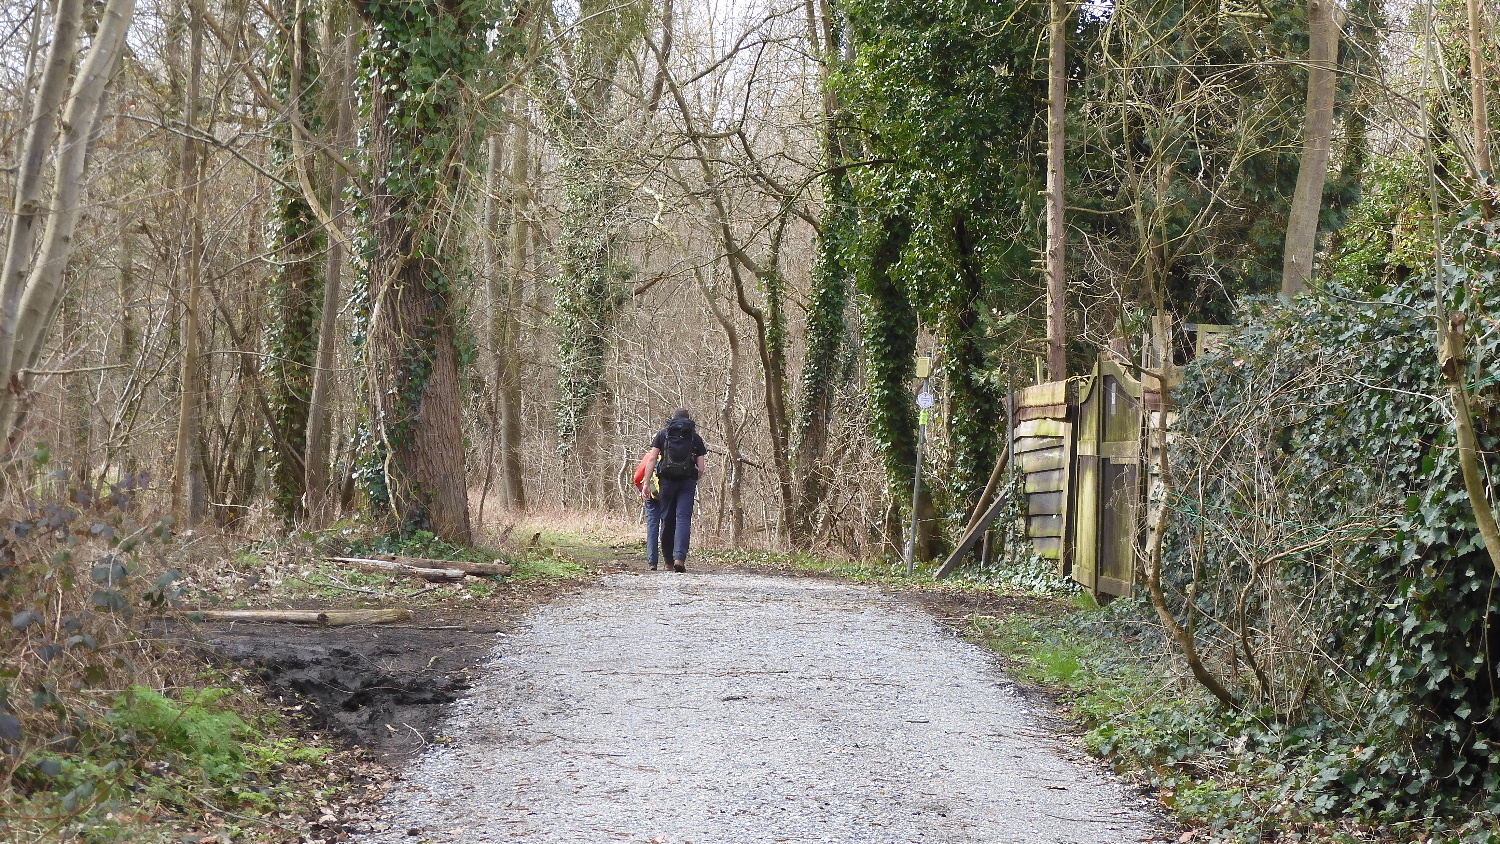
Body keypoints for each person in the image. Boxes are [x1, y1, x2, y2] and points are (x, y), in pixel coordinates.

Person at [641, 409, 707, 573]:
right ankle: (680, 558)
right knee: (683, 518)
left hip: (667, 481)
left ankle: (668, 562)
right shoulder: (695, 437)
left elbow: (652, 458)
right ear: (689, 420)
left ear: (672, 419)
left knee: (667, 519)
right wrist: (692, 479)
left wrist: (647, 483)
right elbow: (701, 468)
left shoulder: (663, 434)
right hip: (687, 483)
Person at [632, 451, 670, 570]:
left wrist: (643, 490)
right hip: (667, 495)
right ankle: (668, 560)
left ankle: (652, 561)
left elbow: (637, 478)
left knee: (652, 526)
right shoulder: (671, 456)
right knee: (667, 525)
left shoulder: (650, 456)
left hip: (651, 494)